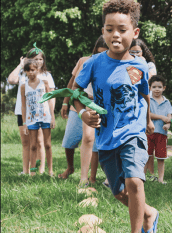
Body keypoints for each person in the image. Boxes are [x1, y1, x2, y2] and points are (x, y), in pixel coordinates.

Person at [71, 0, 159, 233]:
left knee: (134, 180)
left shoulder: (140, 65)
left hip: (133, 132)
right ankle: (149, 213)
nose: (115, 35)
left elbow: (143, 96)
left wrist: (148, 120)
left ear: (135, 32)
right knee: (119, 191)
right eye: (109, 29)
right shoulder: (94, 64)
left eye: (122, 29)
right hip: (107, 136)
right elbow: (75, 92)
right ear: (103, 32)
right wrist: (83, 113)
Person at [59, 36, 108, 187]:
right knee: (71, 140)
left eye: (105, 53)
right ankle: (74, 171)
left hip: (101, 104)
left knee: (93, 141)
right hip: (82, 102)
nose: (101, 57)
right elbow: (74, 84)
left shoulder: (113, 64)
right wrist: (65, 102)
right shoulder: (86, 62)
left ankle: (91, 178)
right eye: (98, 53)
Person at [7, 43, 55, 174]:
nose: (38, 62)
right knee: (25, 142)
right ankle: (25, 171)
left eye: (40, 59)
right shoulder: (24, 73)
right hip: (22, 112)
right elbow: (11, 80)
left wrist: (51, 116)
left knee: (39, 142)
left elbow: (52, 96)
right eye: (35, 59)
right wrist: (21, 64)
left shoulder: (46, 76)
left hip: (40, 113)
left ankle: (41, 170)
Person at [21, 59, 55, 176]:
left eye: (32, 70)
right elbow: (23, 105)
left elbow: (50, 101)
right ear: (25, 72)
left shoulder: (44, 83)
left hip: (45, 116)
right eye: (27, 70)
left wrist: (53, 118)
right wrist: (24, 122)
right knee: (33, 145)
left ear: (37, 70)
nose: (30, 73)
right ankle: (33, 172)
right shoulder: (23, 86)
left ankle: (50, 170)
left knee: (47, 144)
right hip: (31, 119)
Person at [130, 38, 157, 175]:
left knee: (146, 139)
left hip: (146, 104)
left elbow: (149, 80)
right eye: (132, 51)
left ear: (143, 52)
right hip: (131, 104)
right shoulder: (127, 63)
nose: (135, 53)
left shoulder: (148, 65)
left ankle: (147, 171)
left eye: (138, 51)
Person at [144, 75, 172, 183]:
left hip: (162, 133)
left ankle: (161, 179)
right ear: (150, 88)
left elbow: (169, 116)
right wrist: (161, 117)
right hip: (149, 132)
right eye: (154, 87)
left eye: (159, 87)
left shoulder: (166, 102)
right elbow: (148, 114)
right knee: (146, 155)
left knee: (161, 157)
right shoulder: (148, 99)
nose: (157, 89)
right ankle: (142, 177)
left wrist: (168, 124)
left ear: (164, 88)